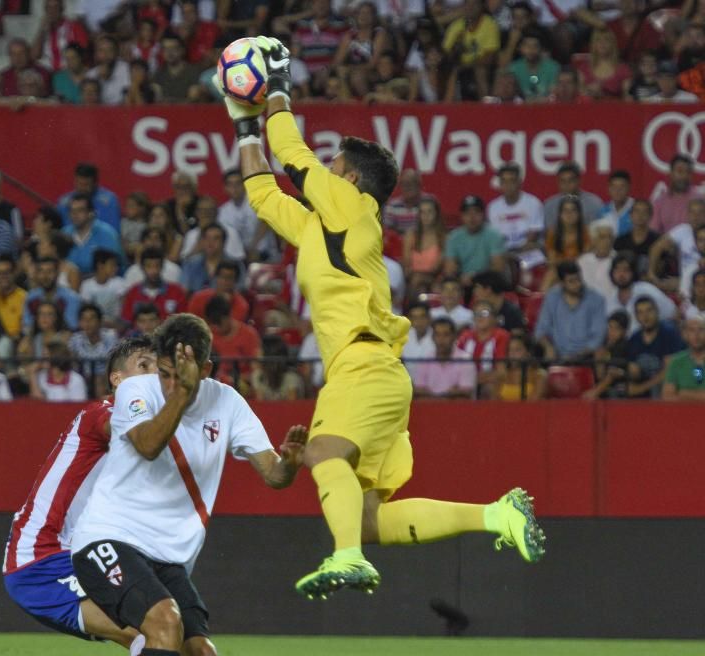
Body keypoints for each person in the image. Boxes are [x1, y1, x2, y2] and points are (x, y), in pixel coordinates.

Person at [228, 36, 545, 600]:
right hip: (379, 372)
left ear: (349, 181)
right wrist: (243, 125)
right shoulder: (321, 229)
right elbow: (261, 192)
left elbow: (292, 155)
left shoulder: (355, 206)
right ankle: (498, 516)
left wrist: (277, 86)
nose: (324, 172)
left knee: (323, 455)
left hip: (362, 365)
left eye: (333, 167)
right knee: (371, 517)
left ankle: (346, 558)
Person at [71, 314, 307, 656]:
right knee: (164, 623)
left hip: (168, 557)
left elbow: (273, 475)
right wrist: (181, 392)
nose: (168, 383)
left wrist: (290, 465)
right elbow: (148, 445)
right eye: (164, 373)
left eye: (178, 376)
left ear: (206, 370)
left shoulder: (227, 403)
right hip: (108, 538)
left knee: (201, 650)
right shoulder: (137, 390)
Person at [4, 336, 154, 650]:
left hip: (79, 554)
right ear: (118, 378)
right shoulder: (103, 413)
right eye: (144, 365)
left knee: (160, 629)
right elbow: (138, 436)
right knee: (151, 631)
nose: (155, 373)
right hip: (39, 558)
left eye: (158, 366)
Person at [535, 262, 606, 362]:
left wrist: (576, 356)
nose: (577, 284)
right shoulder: (552, 297)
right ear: (561, 283)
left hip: (586, 357)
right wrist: (548, 347)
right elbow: (540, 330)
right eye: (571, 281)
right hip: (557, 355)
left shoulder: (596, 300)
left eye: (579, 279)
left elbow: (597, 338)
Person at [443, 195, 507, 288]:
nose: (472, 217)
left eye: (476, 212)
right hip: (462, 283)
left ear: (483, 215)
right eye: (467, 213)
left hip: (487, 282)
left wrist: (475, 276)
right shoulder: (454, 237)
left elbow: (498, 267)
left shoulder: (494, 235)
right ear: (462, 216)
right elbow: (450, 269)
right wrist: (462, 278)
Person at [626, 296, 685, 399]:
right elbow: (634, 370)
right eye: (640, 312)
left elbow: (669, 372)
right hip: (647, 387)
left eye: (649, 310)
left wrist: (641, 388)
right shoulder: (634, 338)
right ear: (636, 317)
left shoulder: (669, 333)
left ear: (657, 312)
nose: (645, 316)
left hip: (669, 386)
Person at [411, 317, 475, 399]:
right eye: (437, 335)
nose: (441, 340)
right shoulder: (425, 360)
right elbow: (418, 391)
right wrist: (450, 394)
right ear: (432, 338)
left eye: (446, 335)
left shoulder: (465, 360)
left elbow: (465, 395)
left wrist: (431, 395)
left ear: (454, 337)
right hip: (430, 408)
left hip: (458, 409)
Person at [486, 163, 544, 253]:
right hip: (503, 253)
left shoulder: (533, 203)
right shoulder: (493, 207)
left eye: (511, 181)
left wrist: (517, 251)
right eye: (504, 181)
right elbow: (494, 238)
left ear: (519, 182)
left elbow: (534, 234)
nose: (507, 185)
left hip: (527, 250)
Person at [651, 154, 704, 235]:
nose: (684, 176)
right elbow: (653, 231)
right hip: (665, 245)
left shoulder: (700, 199)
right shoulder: (660, 202)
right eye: (680, 171)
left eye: (688, 172)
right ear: (671, 173)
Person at [542, 161, 603, 230]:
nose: (566, 185)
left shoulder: (594, 203)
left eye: (570, 180)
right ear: (558, 182)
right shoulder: (550, 205)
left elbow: (597, 232)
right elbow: (550, 232)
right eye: (563, 181)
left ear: (579, 181)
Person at [662, 316, 705, 400]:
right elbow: (667, 397)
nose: (696, 335)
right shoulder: (676, 361)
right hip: (682, 412)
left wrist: (684, 393)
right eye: (691, 330)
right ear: (685, 334)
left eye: (701, 330)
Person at [496, 333, 547, 401]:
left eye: (517, 350)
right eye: (510, 350)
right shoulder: (502, 376)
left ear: (528, 353)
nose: (512, 353)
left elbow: (534, 402)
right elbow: (496, 403)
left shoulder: (539, 376)